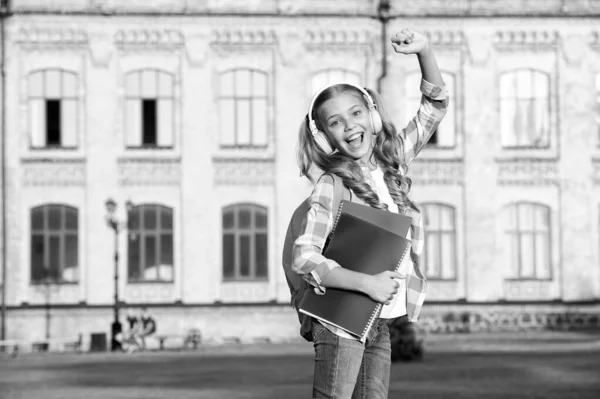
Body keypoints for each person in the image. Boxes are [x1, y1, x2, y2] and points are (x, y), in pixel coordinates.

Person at [293, 28, 448, 399]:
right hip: (341, 320)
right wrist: (368, 284)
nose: (349, 127)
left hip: (379, 321)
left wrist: (424, 52)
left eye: (356, 113)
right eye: (335, 122)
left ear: (373, 117)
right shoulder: (332, 184)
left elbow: (434, 108)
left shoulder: (393, 163)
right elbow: (304, 257)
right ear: (325, 138)